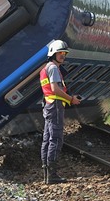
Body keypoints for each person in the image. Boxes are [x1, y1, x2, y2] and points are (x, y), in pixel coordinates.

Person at [40, 40, 82, 184]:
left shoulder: (47, 68)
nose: (63, 55)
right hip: (55, 106)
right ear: (53, 54)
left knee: (47, 140)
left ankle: (47, 174)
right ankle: (52, 175)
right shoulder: (53, 68)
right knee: (56, 139)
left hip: (49, 106)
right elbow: (55, 89)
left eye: (64, 53)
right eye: (60, 53)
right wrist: (71, 99)